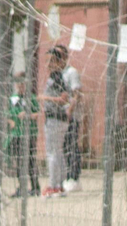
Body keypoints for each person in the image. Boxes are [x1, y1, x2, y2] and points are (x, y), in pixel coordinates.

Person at [37, 46, 75, 198]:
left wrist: (45, 98)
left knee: (52, 152)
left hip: (55, 119)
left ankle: (53, 185)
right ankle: (59, 184)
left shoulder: (57, 77)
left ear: (59, 62)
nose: (48, 65)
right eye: (47, 61)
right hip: (57, 119)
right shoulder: (56, 77)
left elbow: (64, 98)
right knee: (57, 152)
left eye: (52, 61)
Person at [53, 43, 83, 190]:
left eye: (59, 55)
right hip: (58, 117)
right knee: (62, 146)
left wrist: (70, 111)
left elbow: (77, 94)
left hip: (70, 116)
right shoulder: (56, 74)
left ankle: (74, 177)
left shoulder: (71, 72)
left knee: (71, 144)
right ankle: (65, 176)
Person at [5, 78, 41, 198]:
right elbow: (7, 114)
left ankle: (35, 187)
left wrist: (28, 116)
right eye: (19, 84)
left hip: (29, 134)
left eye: (23, 84)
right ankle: (22, 187)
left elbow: (38, 114)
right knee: (19, 162)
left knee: (30, 161)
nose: (21, 87)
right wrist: (10, 121)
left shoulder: (31, 98)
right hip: (16, 134)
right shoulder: (12, 99)